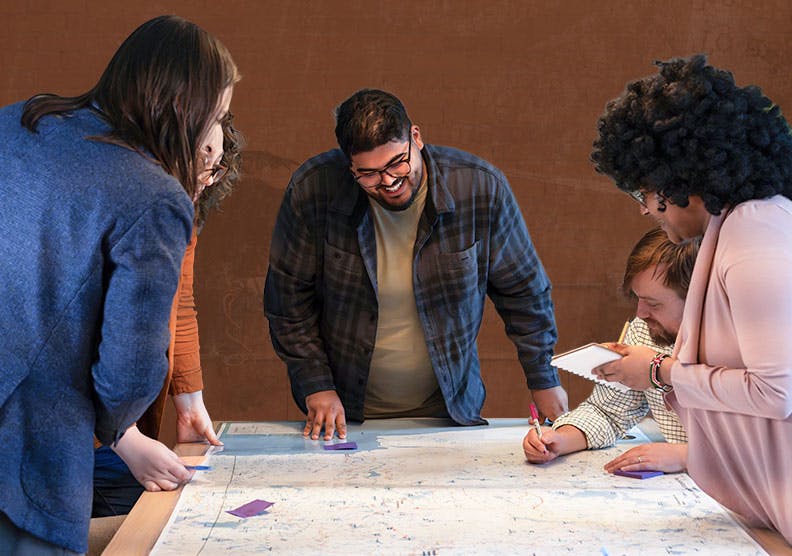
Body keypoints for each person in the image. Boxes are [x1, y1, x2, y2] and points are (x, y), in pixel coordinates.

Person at [0, 15, 238, 554]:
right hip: (26, 460)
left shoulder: (19, 121)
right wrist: (123, 432)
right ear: (186, 108)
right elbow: (128, 375)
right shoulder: (154, 194)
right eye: (216, 115)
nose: (216, 134)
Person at [264, 88, 566, 441]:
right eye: (369, 174)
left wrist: (543, 379)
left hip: (449, 413)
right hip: (345, 413)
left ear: (416, 138)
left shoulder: (480, 189)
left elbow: (525, 294)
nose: (389, 182)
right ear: (349, 166)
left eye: (397, 163)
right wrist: (316, 384)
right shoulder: (314, 189)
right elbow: (287, 302)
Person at [591, 54, 792, 544]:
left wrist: (659, 372)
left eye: (645, 192)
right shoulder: (741, 227)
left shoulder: (753, 233)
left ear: (678, 181)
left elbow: (777, 392)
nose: (644, 209)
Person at [92, 113, 243, 516]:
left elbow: (181, 306)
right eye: (198, 164)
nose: (203, 181)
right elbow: (66, 339)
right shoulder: (108, 211)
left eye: (214, 170)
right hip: (59, 433)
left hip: (115, 430)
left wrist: (190, 402)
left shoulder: (181, 216)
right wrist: (123, 438)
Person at [523, 227, 697, 474]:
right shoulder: (643, 331)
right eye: (638, 298)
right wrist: (558, 440)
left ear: (697, 299)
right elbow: (608, 412)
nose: (641, 313)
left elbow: (764, 448)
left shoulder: (741, 346)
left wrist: (686, 456)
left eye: (654, 304)